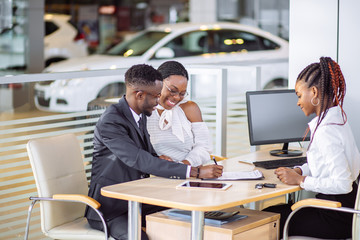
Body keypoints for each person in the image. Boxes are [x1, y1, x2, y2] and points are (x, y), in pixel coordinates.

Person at [85, 64, 223, 240]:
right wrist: (194, 171)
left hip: (138, 199)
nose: (159, 102)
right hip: (111, 209)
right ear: (140, 95)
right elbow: (138, 159)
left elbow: (144, 153)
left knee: (191, 217)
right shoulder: (111, 122)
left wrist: (158, 157)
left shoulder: (139, 114)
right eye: (157, 96)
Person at [263, 57, 360, 239]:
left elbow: (342, 183)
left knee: (268, 219)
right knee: (272, 212)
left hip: (336, 215)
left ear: (314, 92)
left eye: (299, 95)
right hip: (342, 209)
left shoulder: (327, 131)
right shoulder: (337, 121)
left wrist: (301, 180)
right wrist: (300, 169)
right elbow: (325, 163)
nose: (298, 102)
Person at [147, 61, 212, 166]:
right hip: (155, 174)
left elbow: (204, 146)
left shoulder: (190, 108)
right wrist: (155, 159)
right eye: (172, 90)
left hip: (190, 172)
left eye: (182, 93)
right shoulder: (145, 111)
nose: (177, 97)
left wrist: (183, 166)